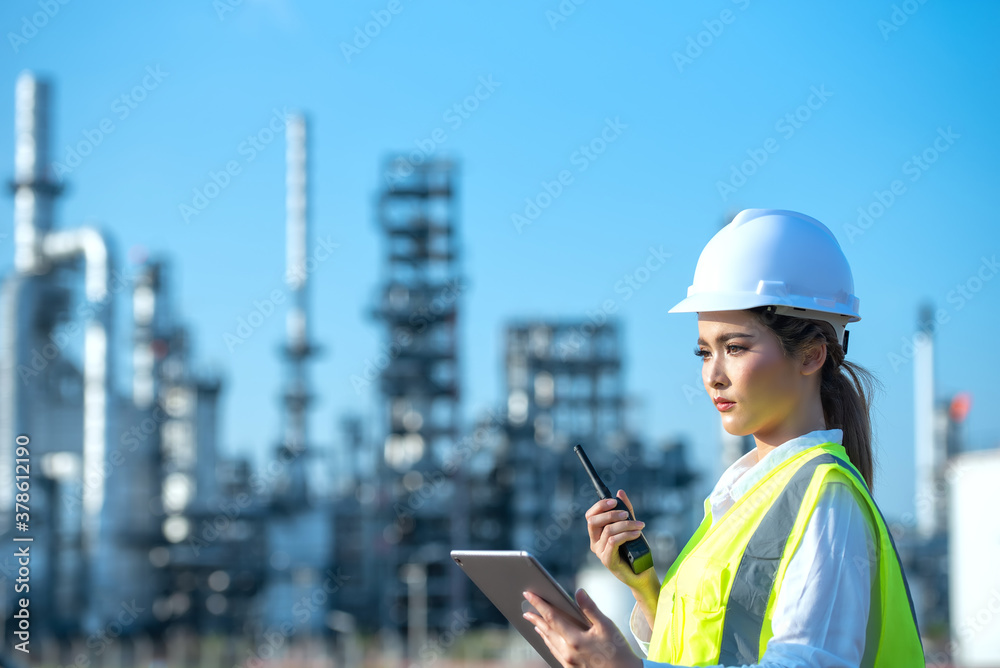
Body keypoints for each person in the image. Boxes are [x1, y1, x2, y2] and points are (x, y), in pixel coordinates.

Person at [521, 209, 925, 667]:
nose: (712, 375)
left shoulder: (825, 498)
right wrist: (645, 586)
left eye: (735, 348)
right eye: (704, 351)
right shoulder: (740, 499)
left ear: (812, 354)